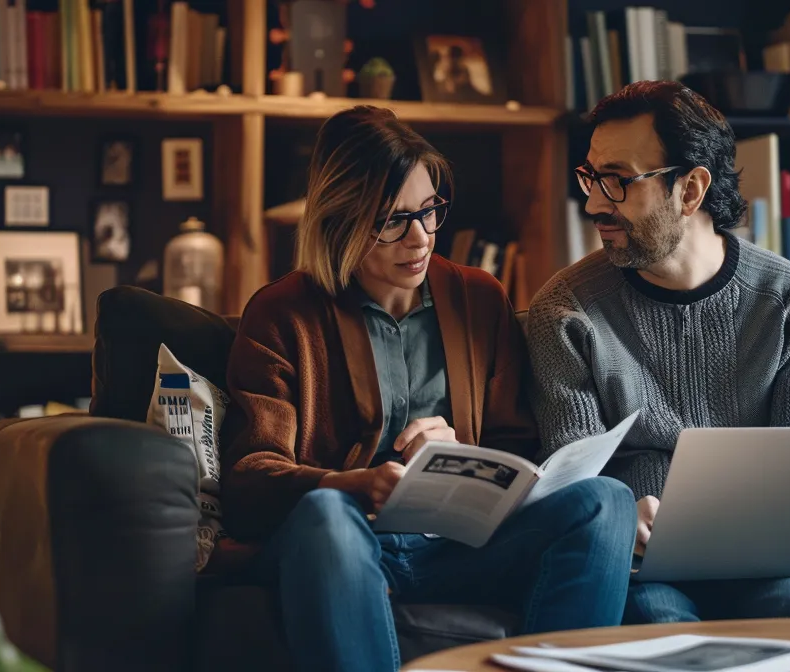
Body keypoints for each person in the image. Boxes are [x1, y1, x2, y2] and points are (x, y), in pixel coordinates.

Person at [221, 106, 638, 672]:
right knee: (325, 515)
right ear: (341, 219)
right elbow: (249, 476)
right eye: (393, 220)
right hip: (345, 543)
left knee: (606, 501)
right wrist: (349, 484)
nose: (421, 238)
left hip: (458, 545)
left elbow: (518, 448)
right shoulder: (280, 314)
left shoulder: (479, 299)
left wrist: (463, 456)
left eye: (429, 211)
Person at [527, 81, 790, 624]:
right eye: (591, 177)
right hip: (643, 562)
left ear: (692, 189)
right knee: (655, 616)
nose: (593, 202)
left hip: (764, 559)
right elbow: (576, 476)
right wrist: (624, 512)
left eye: (618, 181)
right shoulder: (566, 309)